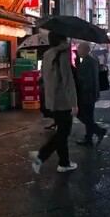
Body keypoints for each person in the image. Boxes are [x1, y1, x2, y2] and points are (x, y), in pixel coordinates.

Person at [30, 32, 79, 174]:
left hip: (51, 99)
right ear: (62, 39)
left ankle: (64, 162)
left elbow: (44, 77)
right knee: (63, 132)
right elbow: (67, 79)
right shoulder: (63, 54)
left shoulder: (47, 54)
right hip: (63, 100)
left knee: (61, 132)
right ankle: (40, 157)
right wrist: (74, 103)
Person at [74, 43, 108, 147]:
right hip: (92, 93)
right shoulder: (92, 60)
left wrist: (77, 68)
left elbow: (83, 79)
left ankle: (99, 131)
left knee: (82, 115)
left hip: (86, 93)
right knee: (89, 116)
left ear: (84, 50)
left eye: (79, 49)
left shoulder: (87, 62)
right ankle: (88, 138)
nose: (78, 51)